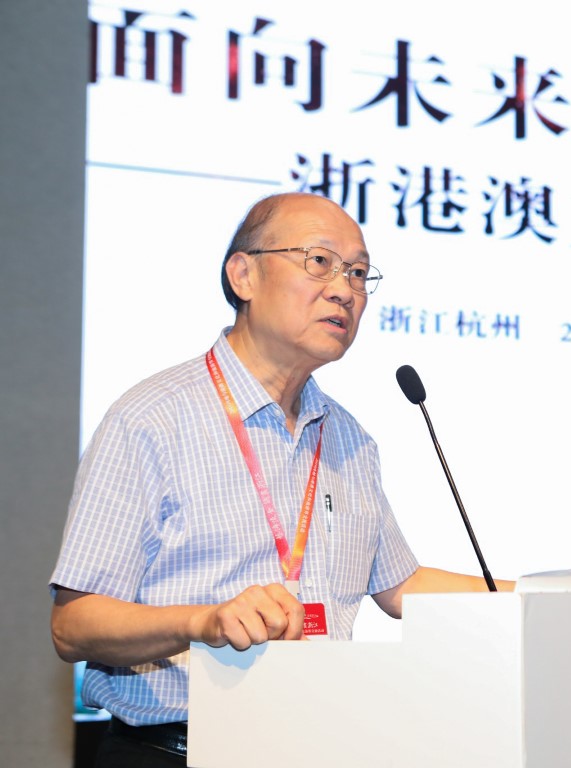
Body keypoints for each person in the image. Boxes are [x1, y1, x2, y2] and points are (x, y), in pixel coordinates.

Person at [50, 192, 512, 766]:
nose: (345, 290)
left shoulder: (348, 438)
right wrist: (204, 621)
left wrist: (563, 599)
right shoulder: (152, 419)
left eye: (359, 273)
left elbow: (402, 587)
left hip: (316, 747)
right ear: (243, 275)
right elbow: (73, 624)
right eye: (320, 262)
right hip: (177, 752)